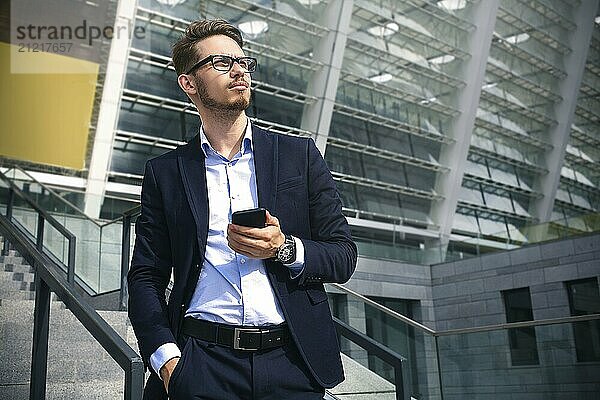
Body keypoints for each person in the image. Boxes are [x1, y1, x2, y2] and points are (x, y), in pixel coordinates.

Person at [127, 18, 357, 400]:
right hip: (202, 365)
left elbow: (343, 256)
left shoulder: (298, 156)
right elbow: (146, 276)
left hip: (293, 365)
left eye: (242, 62)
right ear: (189, 84)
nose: (238, 70)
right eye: (220, 62)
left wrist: (283, 248)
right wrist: (167, 361)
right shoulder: (165, 173)